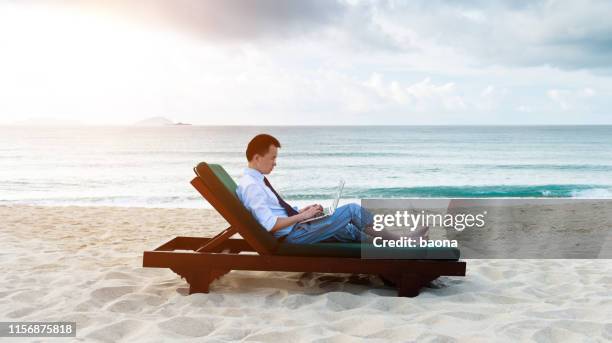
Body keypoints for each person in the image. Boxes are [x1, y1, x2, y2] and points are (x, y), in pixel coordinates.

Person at [236, 134, 407, 244]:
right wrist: (302, 217)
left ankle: (388, 241)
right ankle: (396, 241)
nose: (275, 162)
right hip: (292, 237)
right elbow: (270, 224)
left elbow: (275, 213)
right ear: (257, 158)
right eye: (273, 157)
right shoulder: (252, 186)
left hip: (295, 229)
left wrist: (302, 212)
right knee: (352, 210)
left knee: (343, 228)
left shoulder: (255, 181)